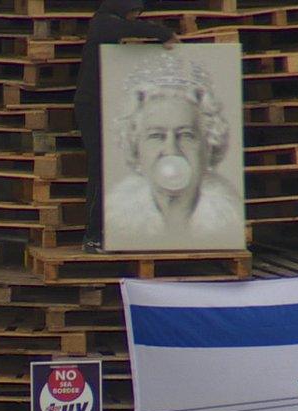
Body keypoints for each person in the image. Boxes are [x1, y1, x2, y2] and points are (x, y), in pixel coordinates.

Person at [104, 53, 244, 251]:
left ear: (209, 145)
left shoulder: (232, 219)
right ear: (136, 148)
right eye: (156, 136)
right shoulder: (116, 220)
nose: (171, 150)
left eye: (186, 135)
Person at [75, 0, 178, 253]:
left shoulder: (108, 26)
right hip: (91, 106)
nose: (134, 17)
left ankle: (109, 232)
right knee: (99, 167)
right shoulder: (102, 24)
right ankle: (92, 235)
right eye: (134, 12)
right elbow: (130, 29)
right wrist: (164, 34)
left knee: (116, 166)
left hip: (106, 105)